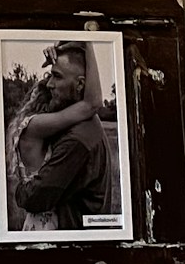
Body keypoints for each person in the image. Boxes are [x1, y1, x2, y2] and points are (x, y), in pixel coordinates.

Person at [9, 43, 113, 233]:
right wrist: (85, 42)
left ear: (81, 84)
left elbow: (36, 197)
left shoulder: (75, 136)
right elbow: (91, 103)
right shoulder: (38, 125)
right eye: (50, 76)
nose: (49, 85)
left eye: (56, 76)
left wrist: (20, 191)